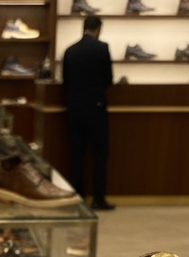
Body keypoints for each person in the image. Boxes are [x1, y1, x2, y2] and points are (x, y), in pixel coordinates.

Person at [62, 16, 114, 210]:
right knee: (100, 156)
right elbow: (108, 80)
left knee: (76, 156)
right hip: (96, 107)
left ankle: (78, 199)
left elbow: (65, 81)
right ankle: (98, 199)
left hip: (74, 109)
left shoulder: (69, 51)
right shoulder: (102, 48)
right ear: (98, 28)